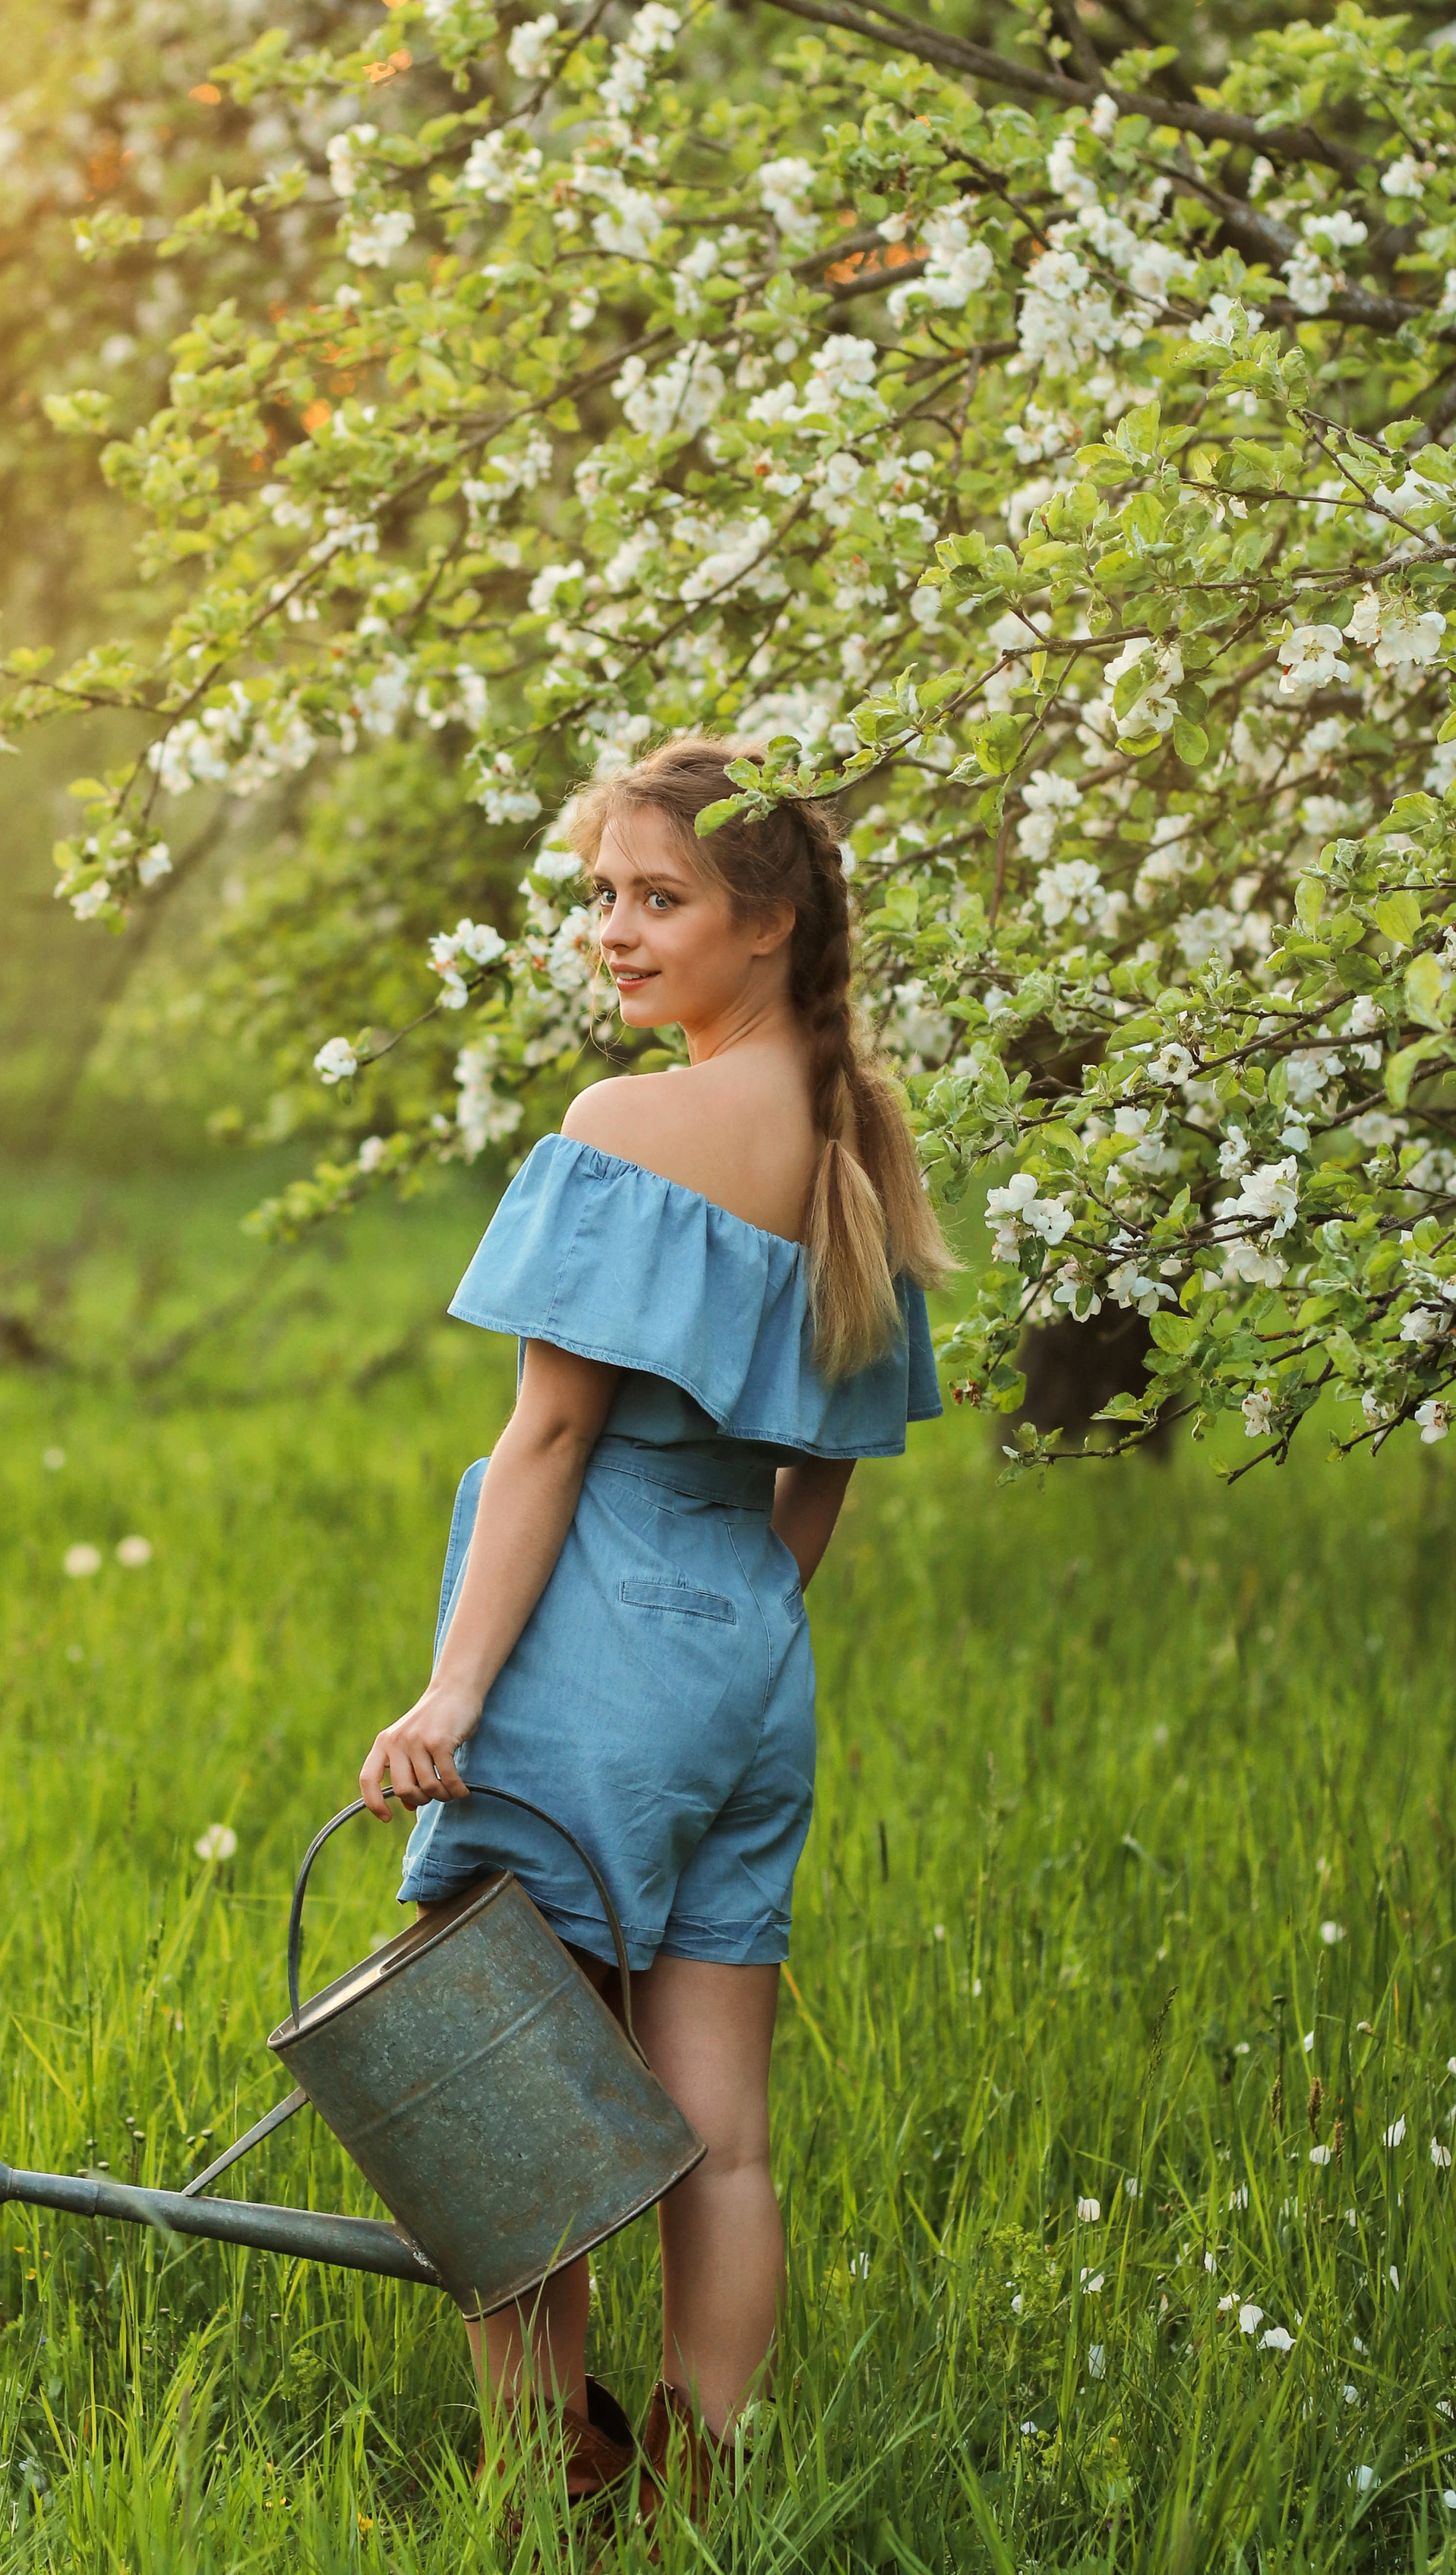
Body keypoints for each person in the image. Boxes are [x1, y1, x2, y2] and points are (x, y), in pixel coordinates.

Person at [358, 735, 954, 2523]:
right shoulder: (849, 1142)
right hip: (748, 1671)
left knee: (503, 2111)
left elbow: (547, 1436)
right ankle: (703, 2489)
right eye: (599, 897)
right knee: (723, 2134)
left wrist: (455, 1690)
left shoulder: (625, 1132)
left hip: (594, 1667)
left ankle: (555, 2496)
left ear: (763, 921)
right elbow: (823, 1478)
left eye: (655, 898)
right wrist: (727, 1637)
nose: (610, 933)